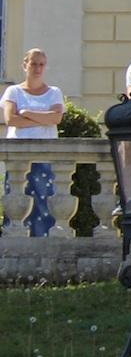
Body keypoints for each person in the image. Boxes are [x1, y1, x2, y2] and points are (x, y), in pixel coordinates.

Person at [3, 48, 63, 237]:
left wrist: (27, 113)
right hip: (19, 155)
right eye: (33, 63)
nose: (37, 68)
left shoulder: (53, 92)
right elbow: (11, 120)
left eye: (41, 64)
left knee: (44, 201)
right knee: (17, 200)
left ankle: (42, 240)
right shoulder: (13, 91)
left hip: (45, 154)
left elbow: (56, 118)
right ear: (25, 65)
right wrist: (42, 118)